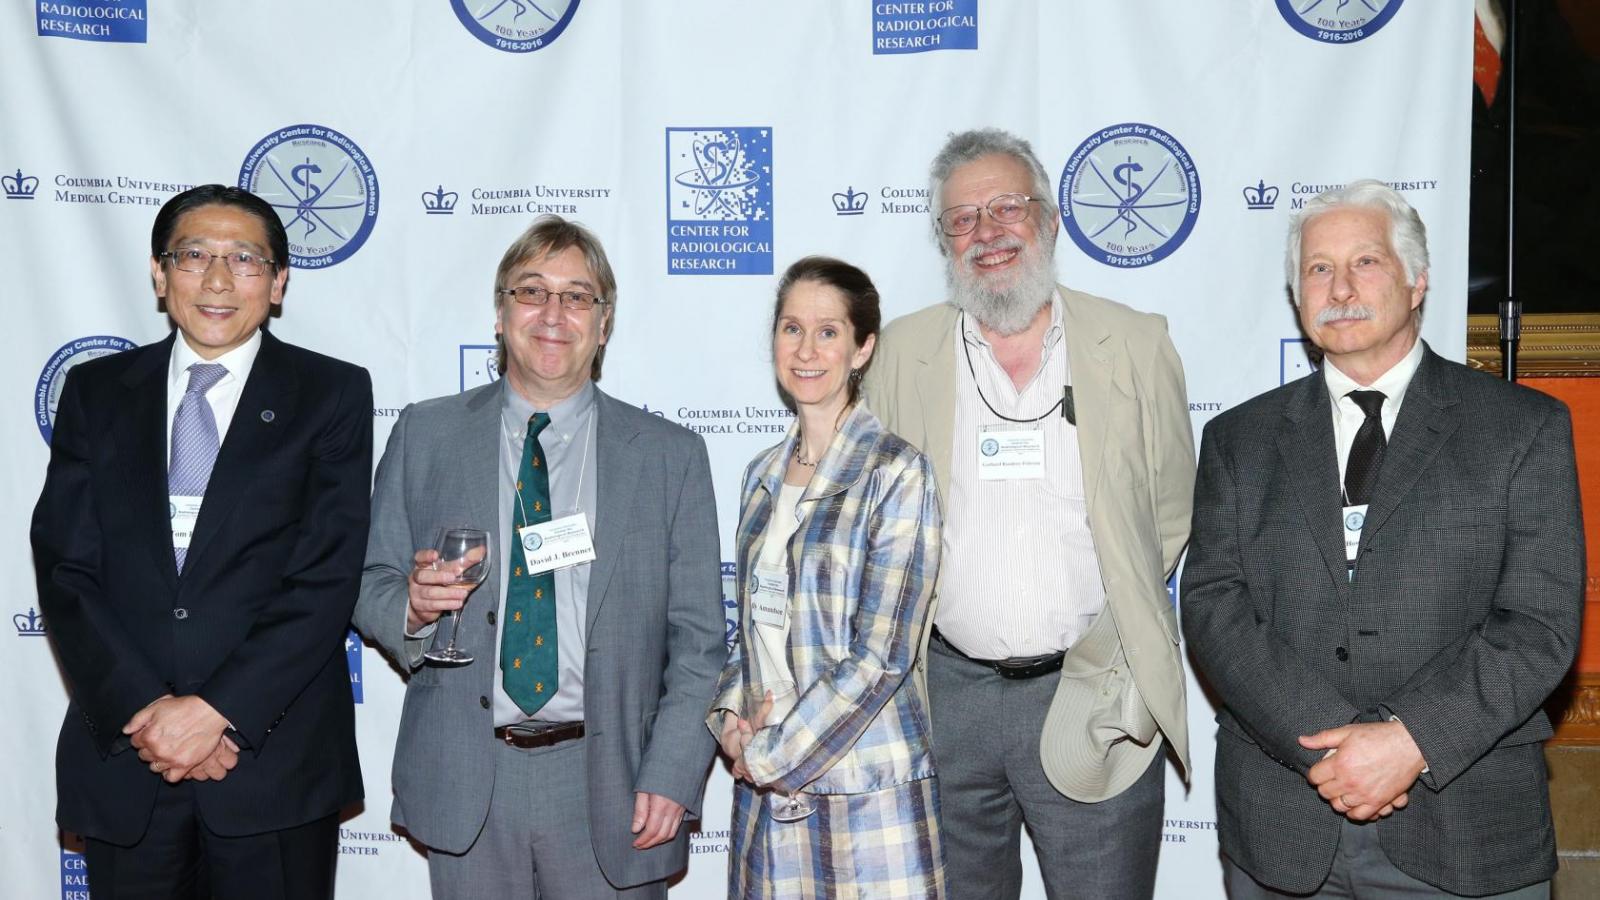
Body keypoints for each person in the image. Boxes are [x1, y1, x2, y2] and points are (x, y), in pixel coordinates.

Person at [1182, 179, 1584, 899]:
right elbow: (1214, 606)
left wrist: (1407, 741)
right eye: (1317, 269)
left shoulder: (1522, 430)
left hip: (1463, 819)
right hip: (1282, 819)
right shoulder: (1236, 440)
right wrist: (1330, 743)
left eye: (1364, 262)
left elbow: (1538, 625)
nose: (1339, 288)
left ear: (1417, 279)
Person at [862, 128, 1195, 900]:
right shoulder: (898, 355)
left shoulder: (1136, 345)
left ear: (1047, 220)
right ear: (943, 241)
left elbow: (1171, 514)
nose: (987, 232)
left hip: (1089, 696)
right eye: (962, 219)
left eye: (1007, 208)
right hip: (945, 700)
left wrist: (1115, 657)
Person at [352, 214, 724, 899]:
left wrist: (672, 773)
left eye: (578, 296)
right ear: (500, 314)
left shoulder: (670, 456)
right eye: (532, 292)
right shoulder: (425, 434)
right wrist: (407, 605)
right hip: (469, 777)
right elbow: (370, 579)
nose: (554, 313)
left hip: (611, 781)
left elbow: (700, 642)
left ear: (603, 324)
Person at [30, 184, 372, 899]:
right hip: (128, 758)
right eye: (195, 255)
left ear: (278, 282)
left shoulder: (330, 394)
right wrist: (151, 715)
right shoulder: (96, 392)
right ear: (160, 273)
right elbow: (66, 567)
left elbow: (324, 578)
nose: (219, 279)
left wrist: (216, 715)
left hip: (273, 762)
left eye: (245, 259)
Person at [712, 256, 945, 898]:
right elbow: (752, 633)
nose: (806, 350)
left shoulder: (897, 473)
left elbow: (881, 657)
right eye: (791, 328)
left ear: (863, 347)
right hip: (763, 790)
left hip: (865, 790)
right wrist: (730, 719)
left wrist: (770, 755)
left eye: (828, 331)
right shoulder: (760, 475)